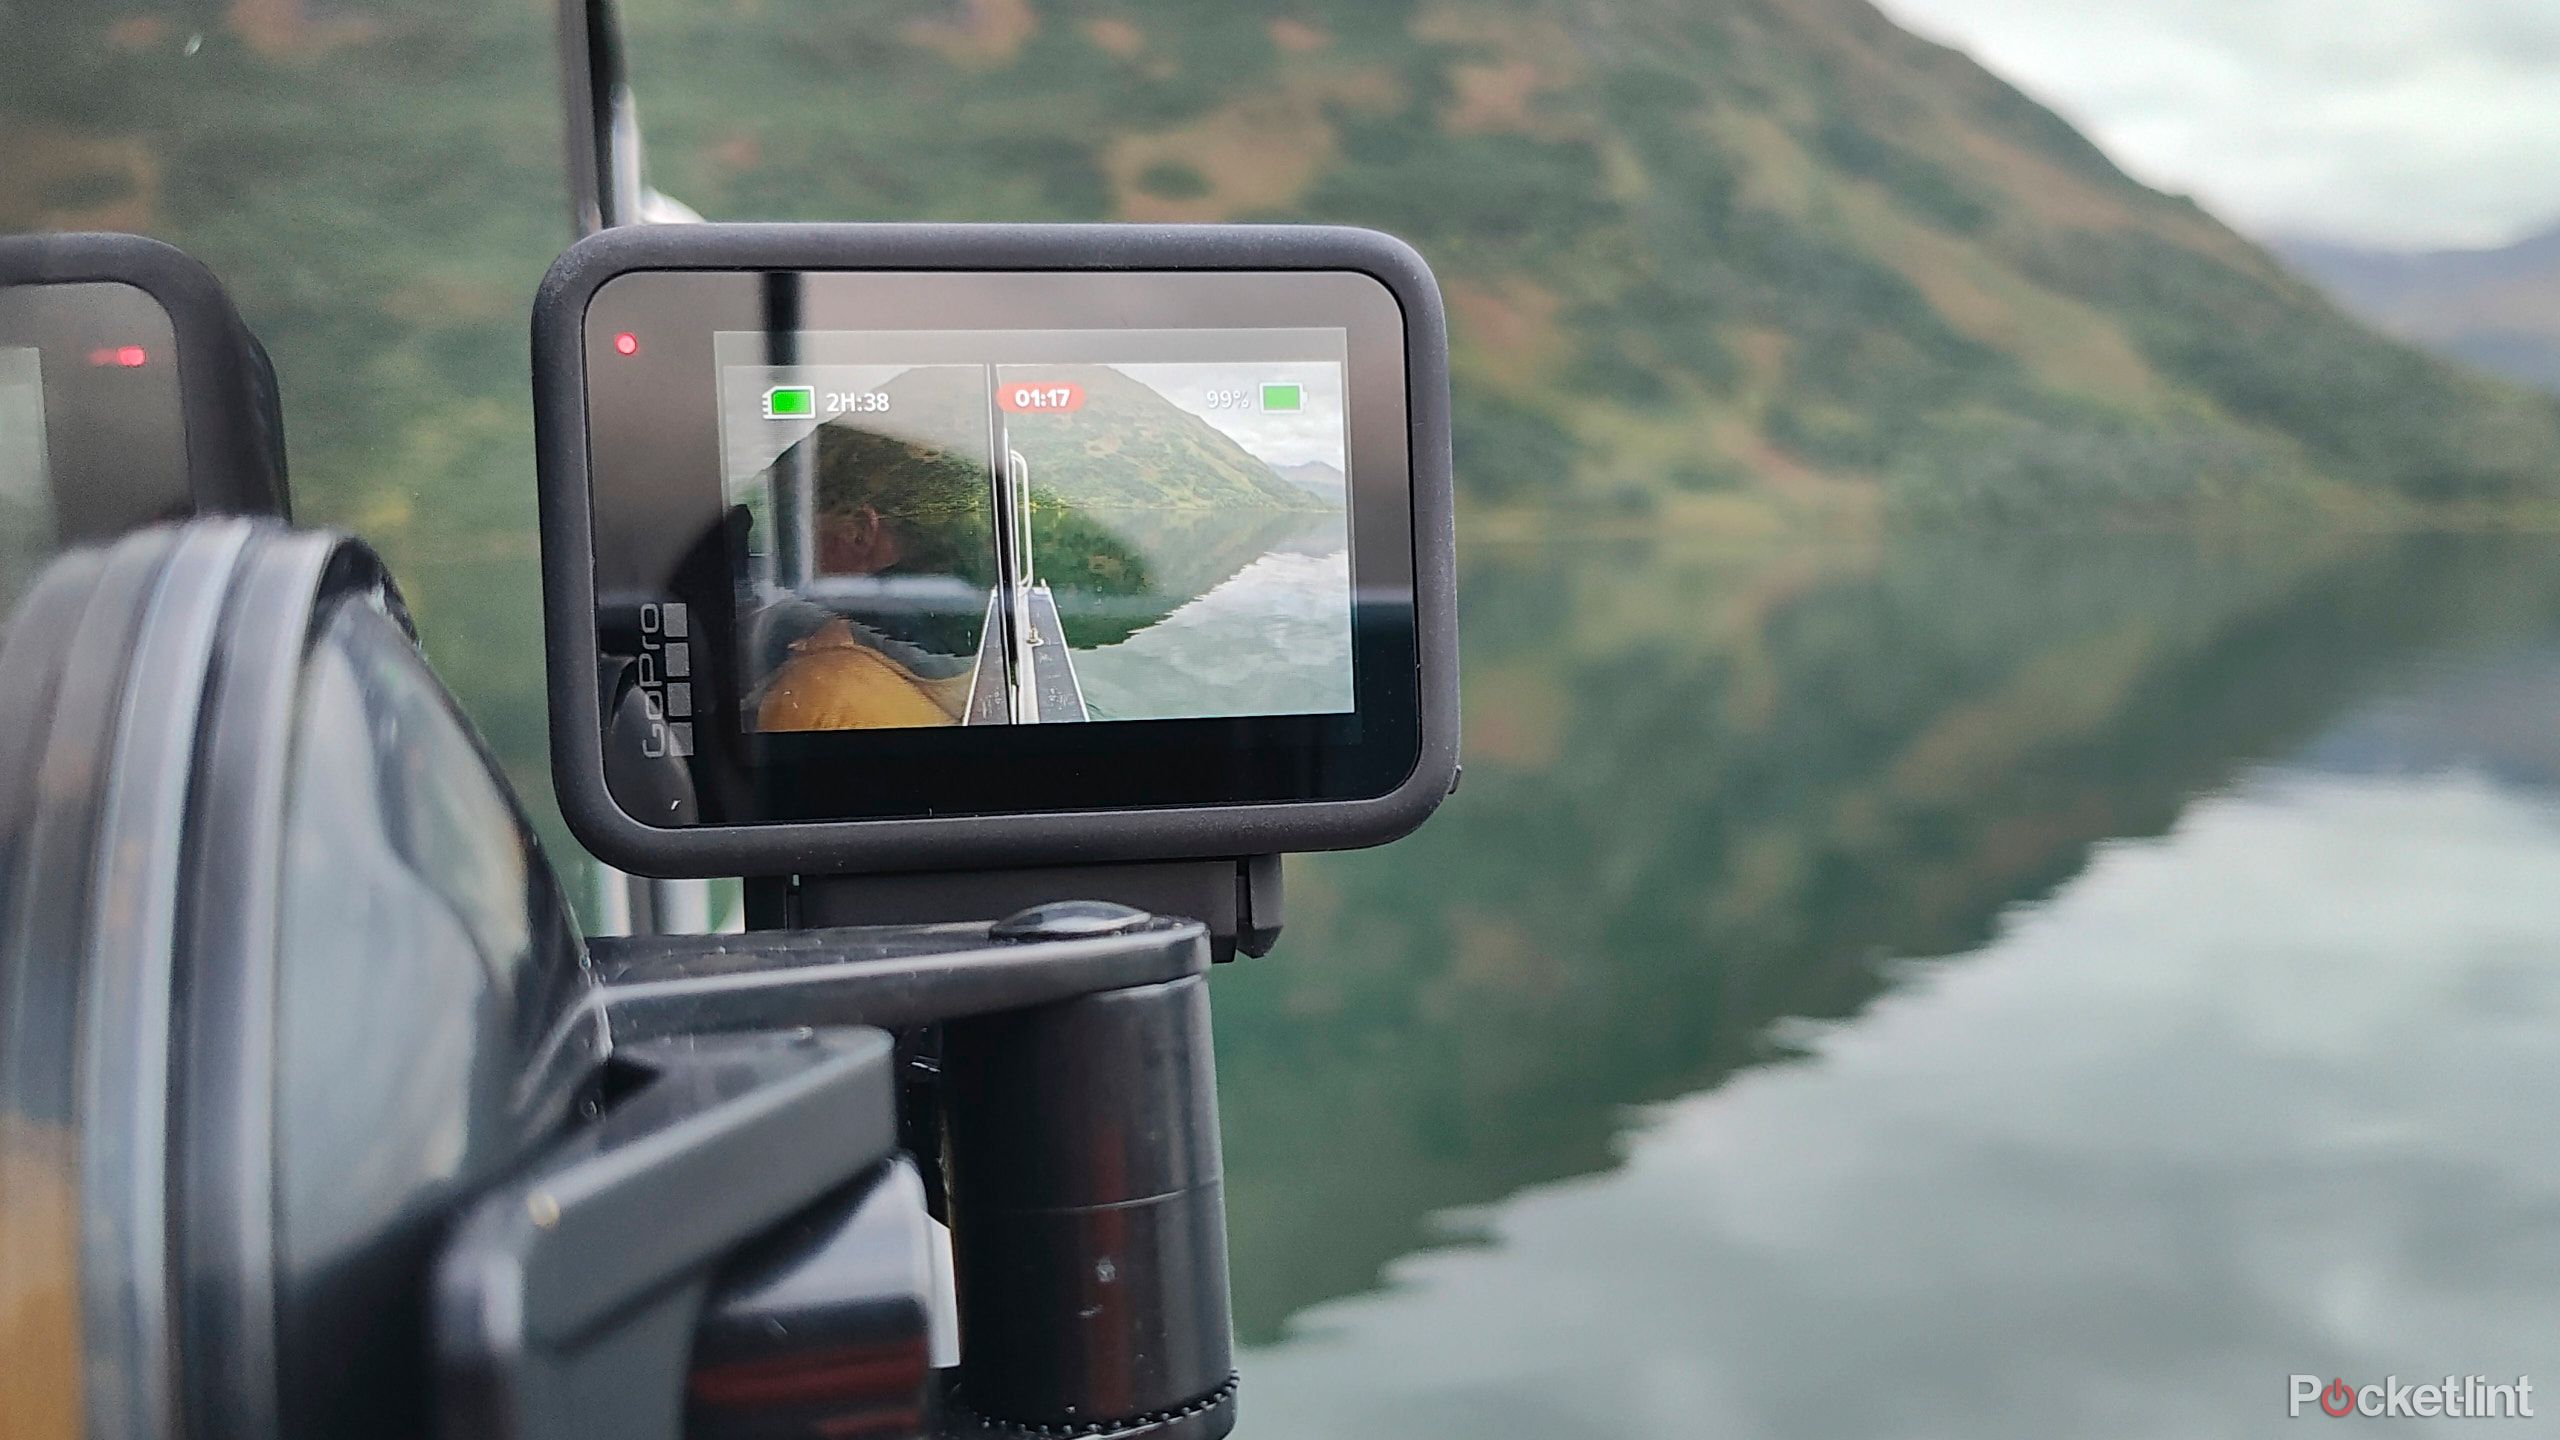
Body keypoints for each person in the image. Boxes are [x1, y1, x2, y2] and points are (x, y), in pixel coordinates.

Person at [751, 417, 994, 731]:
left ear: (859, 532)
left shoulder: (813, 697)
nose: (781, 552)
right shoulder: (972, 643)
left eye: (789, 526)